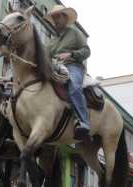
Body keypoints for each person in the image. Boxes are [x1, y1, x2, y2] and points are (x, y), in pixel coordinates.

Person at [44, 5, 91, 140]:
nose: (55, 20)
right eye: (53, 18)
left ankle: (84, 122)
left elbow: (87, 51)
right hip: (54, 68)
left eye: (58, 17)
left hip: (73, 66)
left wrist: (70, 54)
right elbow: (46, 57)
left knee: (74, 86)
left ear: (65, 18)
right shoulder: (51, 41)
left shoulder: (75, 33)